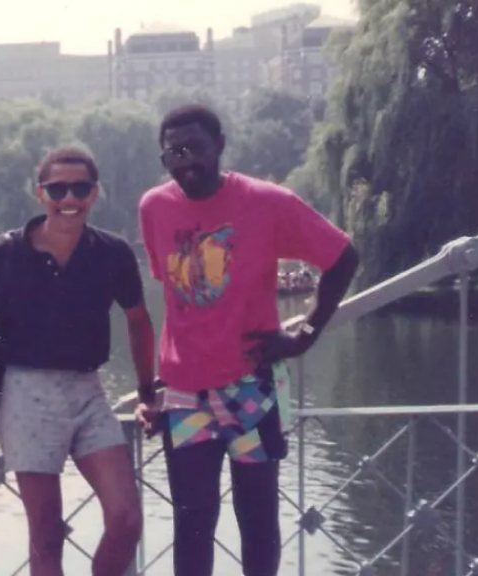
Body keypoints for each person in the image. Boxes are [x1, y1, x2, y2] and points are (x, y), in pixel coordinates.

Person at [134, 104, 360, 576]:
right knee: (192, 522)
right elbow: (178, 295)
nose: (186, 160)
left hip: (251, 387)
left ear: (219, 144)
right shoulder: (154, 207)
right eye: (174, 152)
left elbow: (343, 256)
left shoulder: (266, 202)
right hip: (182, 394)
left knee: (256, 520)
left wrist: (308, 331)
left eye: (195, 147)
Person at [0, 147, 156, 576]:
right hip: (24, 392)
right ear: (41, 194)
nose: (68, 197)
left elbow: (139, 322)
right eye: (58, 188)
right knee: (47, 533)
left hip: (88, 391)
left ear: (95, 194)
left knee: (127, 519)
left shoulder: (112, 253)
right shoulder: (7, 253)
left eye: (80, 188)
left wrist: (148, 393)